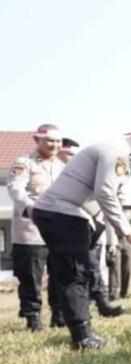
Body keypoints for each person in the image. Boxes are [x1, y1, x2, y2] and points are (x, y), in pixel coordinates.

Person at [32, 123, 131, 350]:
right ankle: (82, 336)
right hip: (60, 213)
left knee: (78, 272)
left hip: (65, 213)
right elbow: (104, 192)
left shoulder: (122, 152)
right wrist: (127, 231)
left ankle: (82, 329)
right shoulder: (119, 152)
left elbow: (115, 191)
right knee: (74, 273)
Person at [7, 124, 65, 331]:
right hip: (30, 229)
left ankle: (59, 316)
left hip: (56, 228)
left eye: (58, 141)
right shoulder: (25, 162)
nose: (54, 144)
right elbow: (15, 187)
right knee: (31, 277)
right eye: (50, 140)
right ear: (37, 140)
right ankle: (32, 318)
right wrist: (30, 207)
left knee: (59, 274)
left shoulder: (61, 166)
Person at [57, 137, 123, 315]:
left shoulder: (87, 173)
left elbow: (106, 205)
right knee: (70, 272)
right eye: (67, 153)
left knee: (93, 268)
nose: (70, 157)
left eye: (73, 154)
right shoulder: (57, 173)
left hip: (92, 228)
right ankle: (63, 312)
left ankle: (102, 304)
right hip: (66, 227)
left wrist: (111, 241)